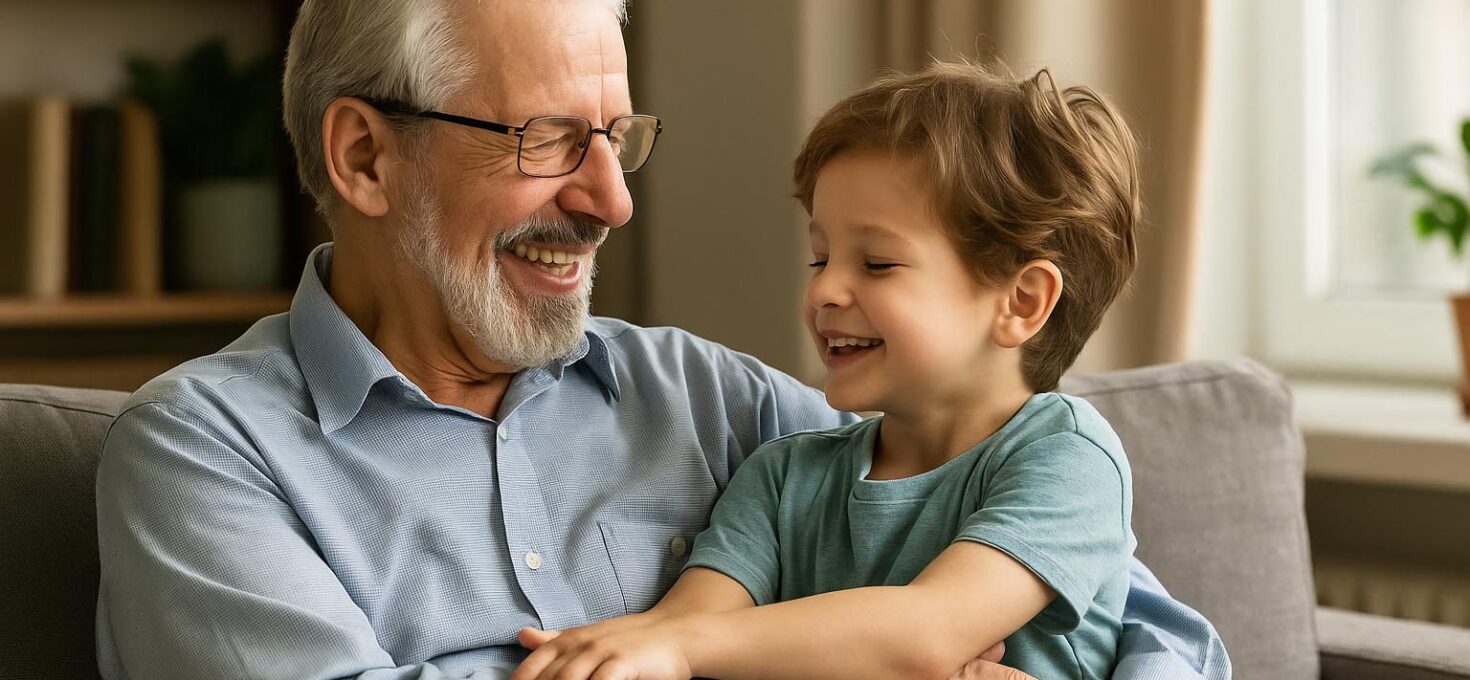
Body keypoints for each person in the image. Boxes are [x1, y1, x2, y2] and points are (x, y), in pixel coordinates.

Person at [93, 1, 1229, 679]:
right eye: (548, 139)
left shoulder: (715, 401)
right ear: (365, 159)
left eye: (615, 137)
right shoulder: (209, 451)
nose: (612, 201)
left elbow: (1132, 613)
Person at [511, 61, 1157, 680]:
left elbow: (928, 635)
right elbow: (688, 629)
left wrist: (679, 643)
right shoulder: (783, 478)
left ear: (1021, 303)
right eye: (821, 259)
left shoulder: (1067, 459)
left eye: (876, 263)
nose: (824, 292)